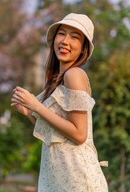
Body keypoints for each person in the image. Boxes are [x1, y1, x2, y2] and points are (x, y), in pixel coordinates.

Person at [11, 13, 108, 192]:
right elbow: (56, 134)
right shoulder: (57, 80)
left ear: (83, 49)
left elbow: (79, 134)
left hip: (76, 178)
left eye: (74, 37)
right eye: (62, 33)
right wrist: (29, 113)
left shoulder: (74, 74)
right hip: (59, 177)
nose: (65, 41)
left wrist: (36, 106)